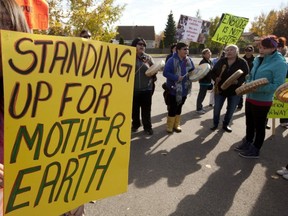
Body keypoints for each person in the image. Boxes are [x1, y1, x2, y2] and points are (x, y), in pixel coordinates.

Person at [235, 36, 287, 159]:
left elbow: (278, 85)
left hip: (263, 100)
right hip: (250, 97)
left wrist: (257, 88)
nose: (261, 50)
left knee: (259, 126)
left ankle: (255, 149)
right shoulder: (258, 59)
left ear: (273, 48)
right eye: (260, 47)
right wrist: (248, 81)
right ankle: (248, 142)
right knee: (249, 123)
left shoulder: (280, 63)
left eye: (264, 48)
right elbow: (252, 75)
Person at [210, 44, 249, 133]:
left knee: (231, 109)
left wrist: (238, 81)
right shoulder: (221, 61)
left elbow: (246, 75)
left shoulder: (242, 62)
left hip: (234, 91)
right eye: (227, 50)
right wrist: (215, 78)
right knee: (217, 109)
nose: (229, 52)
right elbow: (212, 72)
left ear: (237, 52)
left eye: (231, 50)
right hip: (220, 90)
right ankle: (215, 124)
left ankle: (225, 124)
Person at [163, 42, 195, 133]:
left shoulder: (189, 60)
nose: (187, 51)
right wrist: (176, 77)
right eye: (184, 49)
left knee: (179, 107)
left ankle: (176, 125)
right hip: (174, 89)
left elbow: (192, 71)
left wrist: (195, 76)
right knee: (172, 107)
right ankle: (169, 126)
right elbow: (165, 73)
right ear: (178, 50)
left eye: (187, 49)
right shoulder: (171, 60)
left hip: (184, 89)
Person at [131, 37, 155, 135]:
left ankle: (147, 127)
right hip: (133, 89)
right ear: (134, 45)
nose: (142, 46)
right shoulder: (129, 56)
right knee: (134, 110)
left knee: (146, 110)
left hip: (147, 89)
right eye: (140, 44)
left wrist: (151, 68)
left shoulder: (148, 57)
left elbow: (154, 69)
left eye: (144, 45)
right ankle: (136, 124)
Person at [237, 45, 255, 110]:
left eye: (249, 50)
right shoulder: (241, 59)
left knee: (250, 92)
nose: (248, 52)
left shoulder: (255, 60)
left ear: (252, 51)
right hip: (242, 77)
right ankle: (239, 104)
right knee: (241, 91)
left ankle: (249, 106)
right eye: (246, 50)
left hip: (251, 77)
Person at [196, 48, 213, 114]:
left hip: (208, 81)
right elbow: (200, 72)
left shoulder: (209, 61)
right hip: (203, 81)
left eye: (210, 52)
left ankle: (200, 106)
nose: (210, 54)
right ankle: (198, 108)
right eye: (208, 53)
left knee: (203, 94)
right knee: (201, 95)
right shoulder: (203, 62)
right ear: (204, 55)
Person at [278, 37, 288, 128]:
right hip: (276, 82)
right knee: (274, 102)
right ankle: (265, 121)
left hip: (285, 82)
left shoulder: (286, 59)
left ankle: (284, 120)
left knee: (284, 102)